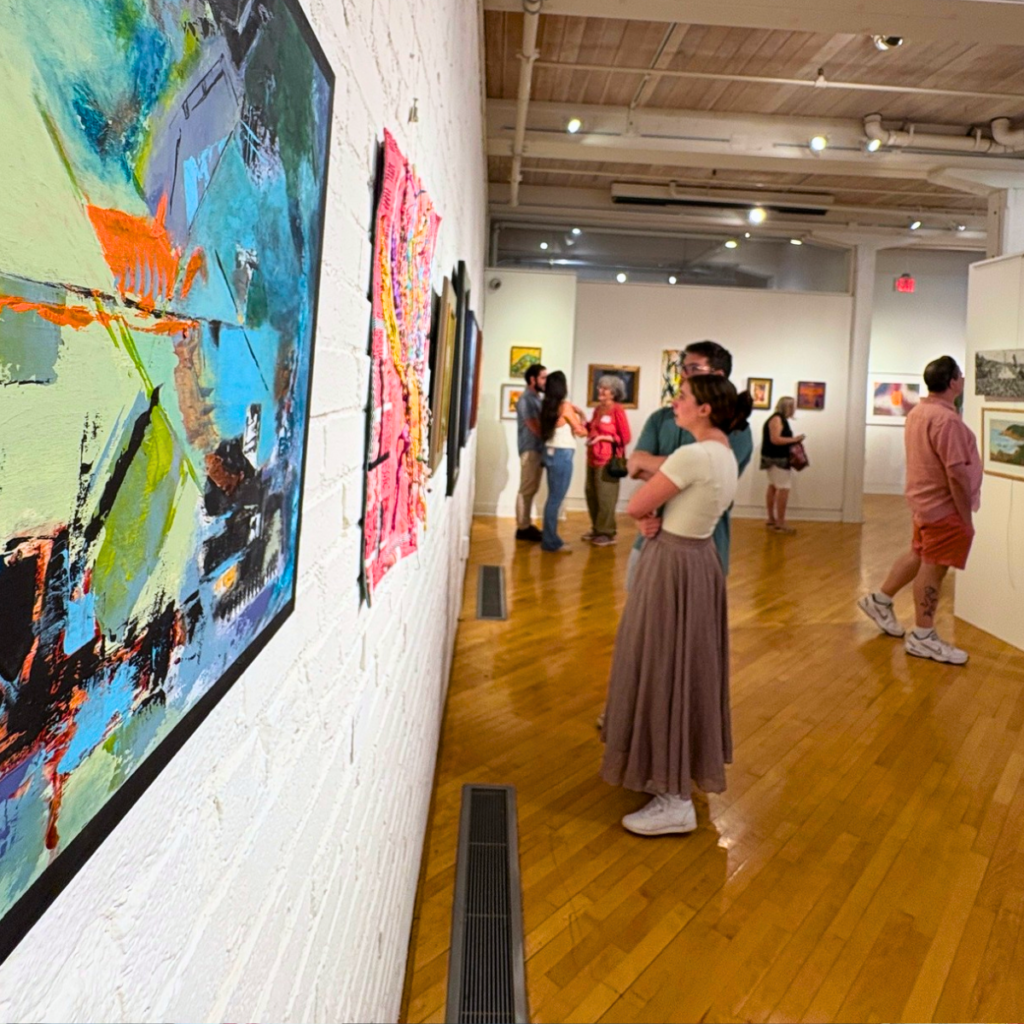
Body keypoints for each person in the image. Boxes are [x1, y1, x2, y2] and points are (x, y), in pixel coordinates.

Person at [601, 375, 746, 835]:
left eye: (683, 398)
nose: (675, 404)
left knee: (663, 663)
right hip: (699, 562)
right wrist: (654, 516)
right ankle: (670, 775)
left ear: (704, 409)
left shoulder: (693, 454)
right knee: (684, 667)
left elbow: (636, 503)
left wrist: (647, 515)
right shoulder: (724, 456)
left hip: (673, 565)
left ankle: (673, 798)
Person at [857, 356, 981, 664]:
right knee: (935, 567)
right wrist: (965, 517)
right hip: (943, 507)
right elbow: (955, 472)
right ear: (953, 382)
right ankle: (923, 636)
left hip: (923, 503)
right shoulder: (947, 420)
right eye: (960, 376)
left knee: (919, 554)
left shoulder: (919, 412)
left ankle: (880, 599)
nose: (963, 381)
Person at [626, 341, 753, 587]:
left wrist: (654, 468)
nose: (684, 374)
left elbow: (703, 480)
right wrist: (643, 515)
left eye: (694, 368)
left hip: (703, 543)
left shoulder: (736, 430)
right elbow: (634, 466)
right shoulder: (661, 418)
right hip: (651, 534)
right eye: (683, 368)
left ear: (718, 376)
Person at [538, 371, 587, 553]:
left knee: (552, 498)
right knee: (555, 499)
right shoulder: (565, 406)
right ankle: (550, 542)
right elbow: (581, 431)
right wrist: (581, 414)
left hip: (549, 451)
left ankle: (550, 539)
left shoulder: (546, 405)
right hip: (562, 454)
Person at [584, 376, 632, 546]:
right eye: (599, 387)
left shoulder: (617, 410)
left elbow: (625, 437)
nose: (600, 391)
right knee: (591, 494)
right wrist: (581, 419)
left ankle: (607, 532)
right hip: (592, 457)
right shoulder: (598, 409)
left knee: (606, 497)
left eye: (604, 388)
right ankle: (597, 528)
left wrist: (603, 438)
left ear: (614, 392)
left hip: (607, 460)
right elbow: (591, 428)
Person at [760, 396, 805, 534]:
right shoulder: (777, 419)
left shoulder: (777, 418)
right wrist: (795, 439)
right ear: (787, 407)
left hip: (773, 459)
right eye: (793, 406)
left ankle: (772, 519)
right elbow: (776, 439)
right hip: (777, 459)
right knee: (783, 488)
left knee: (773, 486)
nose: (794, 409)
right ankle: (780, 522)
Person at [514, 363, 547, 541]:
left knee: (531, 488)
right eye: (543, 377)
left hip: (536, 449)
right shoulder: (526, 399)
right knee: (526, 489)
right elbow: (533, 425)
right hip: (530, 449)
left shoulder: (535, 398)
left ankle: (525, 524)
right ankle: (522, 528)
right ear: (532, 379)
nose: (545, 381)